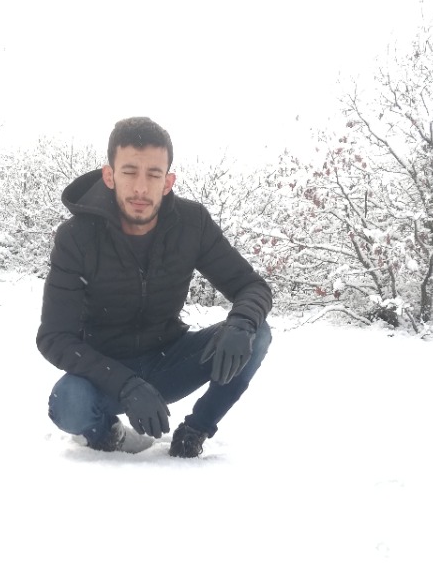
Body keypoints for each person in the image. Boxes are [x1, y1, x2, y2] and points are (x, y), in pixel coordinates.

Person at [37, 116, 272, 457]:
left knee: (256, 333)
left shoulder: (192, 224)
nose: (140, 188)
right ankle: (108, 434)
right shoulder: (77, 237)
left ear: (168, 181)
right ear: (109, 175)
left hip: (170, 360)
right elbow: (54, 337)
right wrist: (125, 384)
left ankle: (194, 431)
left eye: (153, 174)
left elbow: (252, 286)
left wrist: (241, 323)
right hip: (105, 373)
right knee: (68, 402)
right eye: (130, 172)